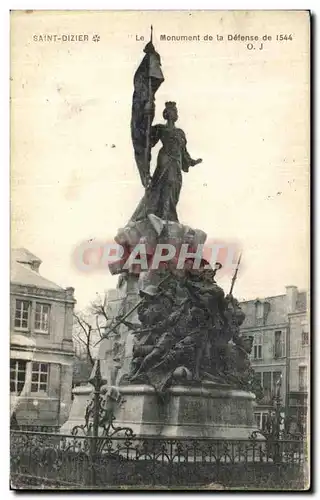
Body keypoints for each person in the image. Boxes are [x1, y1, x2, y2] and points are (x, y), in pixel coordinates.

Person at [130, 101, 202, 223]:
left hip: (177, 163)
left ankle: (169, 215)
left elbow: (184, 151)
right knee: (163, 186)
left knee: (174, 188)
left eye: (175, 111)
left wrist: (192, 162)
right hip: (165, 160)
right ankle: (164, 216)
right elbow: (147, 139)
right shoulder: (160, 129)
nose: (175, 114)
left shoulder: (180, 133)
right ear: (167, 114)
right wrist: (147, 115)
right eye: (173, 111)